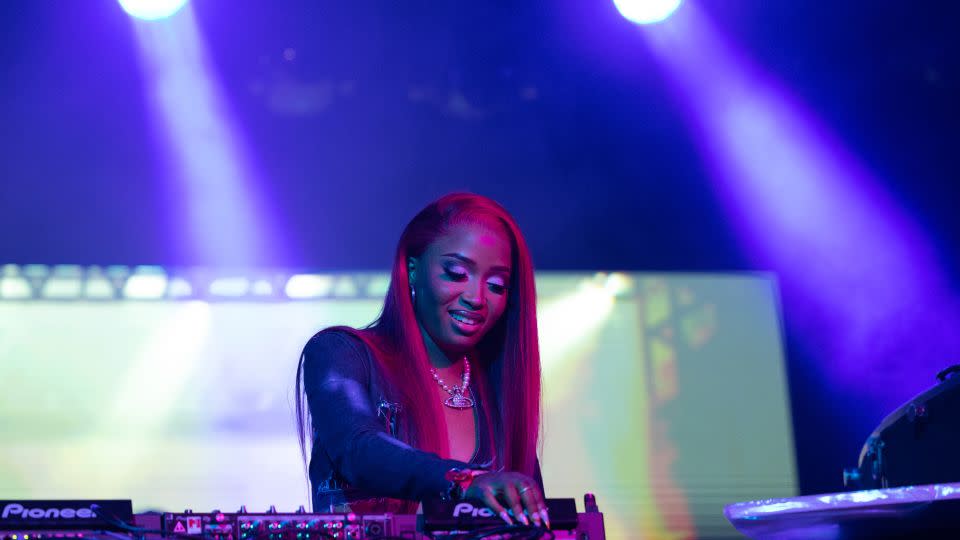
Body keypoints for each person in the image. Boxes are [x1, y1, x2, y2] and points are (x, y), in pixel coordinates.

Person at [295, 193, 548, 527]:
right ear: (412, 270)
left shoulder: (497, 398)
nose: (477, 297)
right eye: (457, 273)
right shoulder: (341, 354)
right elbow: (359, 448)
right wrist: (464, 481)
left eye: (497, 284)